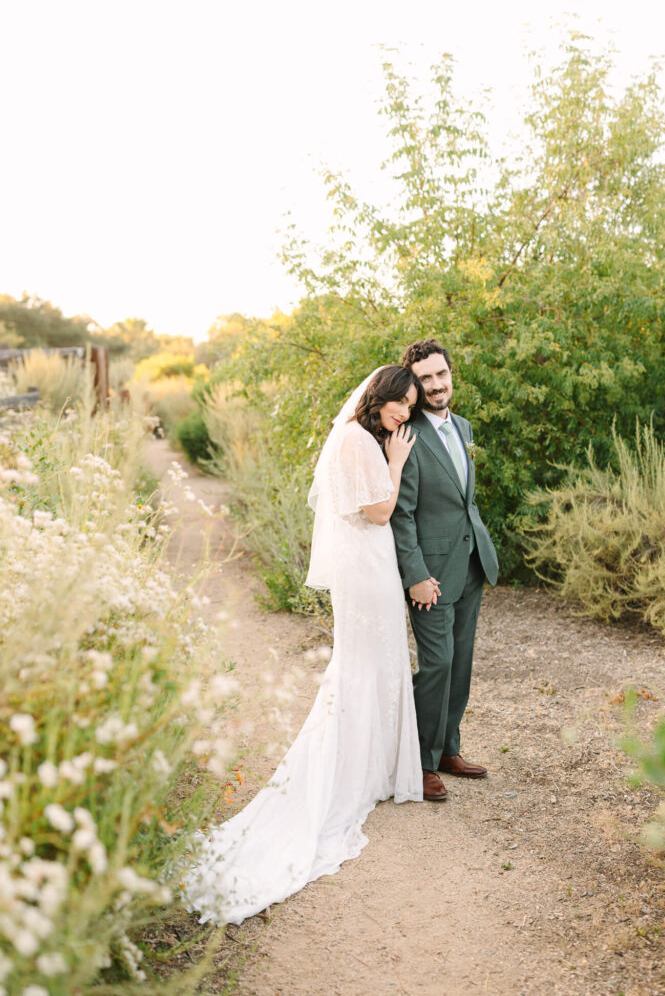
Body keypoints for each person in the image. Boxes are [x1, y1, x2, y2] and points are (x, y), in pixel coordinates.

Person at [182, 365, 425, 925]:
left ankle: (376, 769)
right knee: (366, 664)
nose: (405, 415)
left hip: (366, 569)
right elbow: (378, 512)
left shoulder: (352, 437)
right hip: (367, 574)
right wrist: (397, 462)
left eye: (411, 407)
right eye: (401, 404)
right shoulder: (362, 442)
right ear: (380, 397)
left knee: (369, 664)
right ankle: (363, 772)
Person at [390, 340, 499, 802]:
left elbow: (461, 497)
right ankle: (420, 761)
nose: (436, 385)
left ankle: (448, 747)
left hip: (469, 562)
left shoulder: (465, 427)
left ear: (451, 373)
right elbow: (402, 513)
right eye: (426, 378)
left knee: (461, 662)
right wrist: (414, 572)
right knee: (436, 665)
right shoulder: (406, 436)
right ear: (415, 383)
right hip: (428, 574)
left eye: (441, 374)